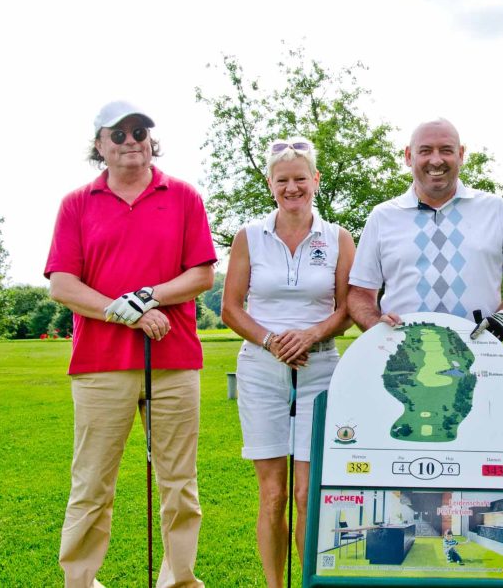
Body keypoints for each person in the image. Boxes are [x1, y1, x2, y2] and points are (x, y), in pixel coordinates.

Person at [46, 100, 216, 588]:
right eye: (117, 135)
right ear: (99, 145)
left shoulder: (183, 196)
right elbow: (62, 285)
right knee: (91, 484)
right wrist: (123, 312)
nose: (130, 142)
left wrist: (146, 297)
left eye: (139, 132)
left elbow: (201, 274)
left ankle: (178, 581)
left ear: (150, 140)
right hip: (99, 364)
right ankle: (80, 582)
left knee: (180, 485)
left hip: (174, 360)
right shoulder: (77, 203)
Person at [221, 137, 355, 588]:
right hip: (261, 371)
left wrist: (311, 335)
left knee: (306, 493)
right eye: (282, 181)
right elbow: (231, 309)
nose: (292, 188)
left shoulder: (338, 238)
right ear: (270, 184)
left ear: (315, 180)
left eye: (300, 178)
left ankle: (310, 583)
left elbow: (348, 308)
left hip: (320, 370)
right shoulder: (249, 236)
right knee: (274, 494)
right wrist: (271, 340)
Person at [347, 118, 503, 338]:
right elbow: (359, 293)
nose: (436, 160)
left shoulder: (495, 209)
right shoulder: (382, 216)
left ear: (461, 154)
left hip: (480, 353)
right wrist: (375, 326)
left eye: (446, 150)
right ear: (409, 156)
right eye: (425, 151)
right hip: (401, 351)